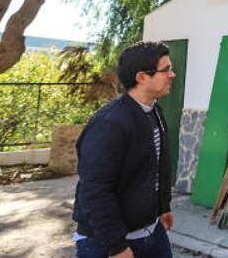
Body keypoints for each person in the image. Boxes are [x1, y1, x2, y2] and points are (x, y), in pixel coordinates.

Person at [73, 42, 177, 258]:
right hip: (105, 242)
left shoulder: (154, 111)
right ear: (141, 77)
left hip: (151, 232)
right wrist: (117, 246)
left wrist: (163, 206)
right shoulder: (110, 123)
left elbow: (158, 165)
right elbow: (94, 190)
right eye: (166, 70)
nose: (172, 74)